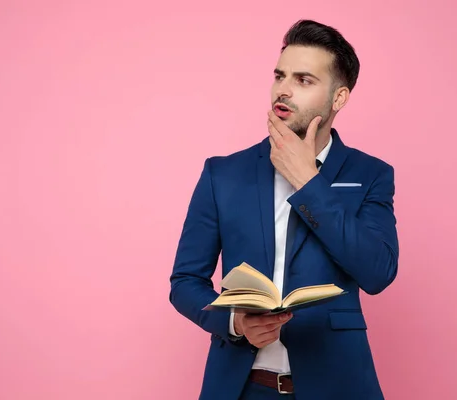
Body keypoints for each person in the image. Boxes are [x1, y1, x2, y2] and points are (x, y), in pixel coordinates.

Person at [169, 19, 399, 400]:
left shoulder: (371, 174)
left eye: (304, 80)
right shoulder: (222, 173)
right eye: (280, 76)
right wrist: (235, 322)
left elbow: (377, 272)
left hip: (338, 387)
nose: (284, 91)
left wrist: (309, 183)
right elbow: (184, 282)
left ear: (338, 98)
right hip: (243, 387)